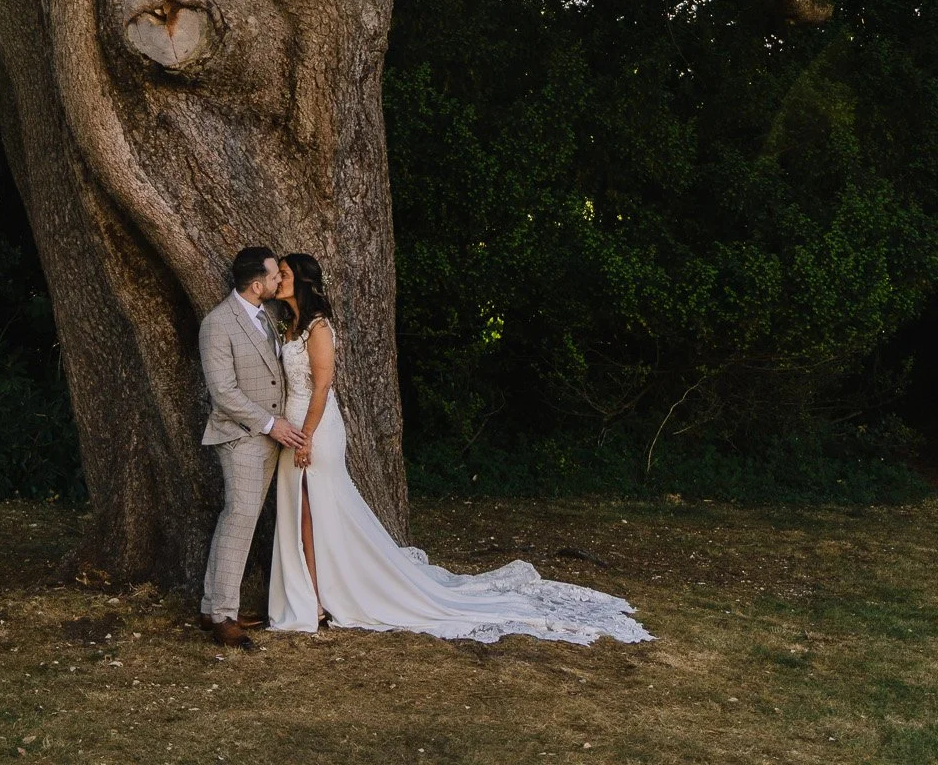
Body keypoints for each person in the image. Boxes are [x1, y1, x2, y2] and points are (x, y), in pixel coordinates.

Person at [267, 252, 651, 646]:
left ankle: (328, 594)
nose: (278, 280)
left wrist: (308, 435)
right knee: (303, 514)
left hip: (316, 429)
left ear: (303, 282)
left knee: (320, 511)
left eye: (283, 274)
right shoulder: (288, 326)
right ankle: (311, 593)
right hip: (291, 427)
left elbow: (322, 385)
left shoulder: (318, 328)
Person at [197, 246, 308, 649]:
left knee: (238, 518)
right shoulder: (217, 324)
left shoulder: (272, 316)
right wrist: (270, 424)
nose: (280, 280)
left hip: (273, 436)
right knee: (241, 516)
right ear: (257, 283)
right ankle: (224, 616)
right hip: (242, 435)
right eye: (274, 276)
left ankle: (212, 606)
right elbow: (224, 392)